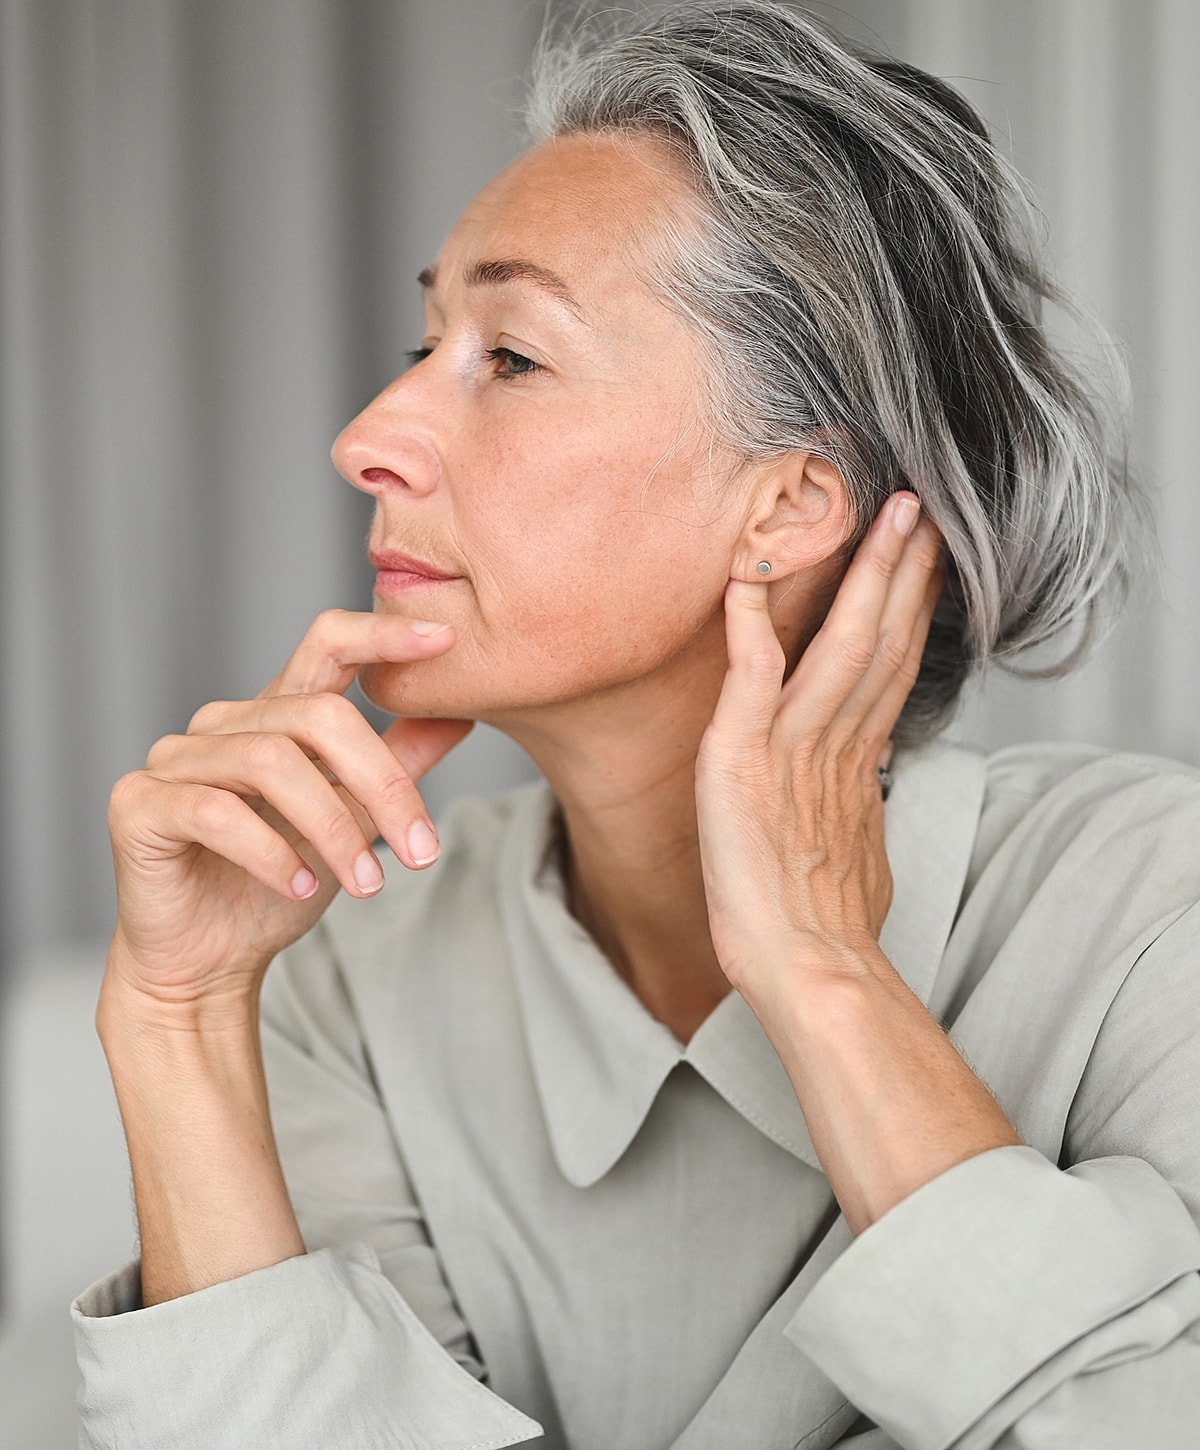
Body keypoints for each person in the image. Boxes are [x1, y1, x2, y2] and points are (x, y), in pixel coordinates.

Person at [72, 2, 1200, 1446]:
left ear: (787, 505)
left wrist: (820, 967)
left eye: (513, 358)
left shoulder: (1149, 914)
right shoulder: (346, 972)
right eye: (426, 343)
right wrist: (176, 1017)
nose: (368, 434)